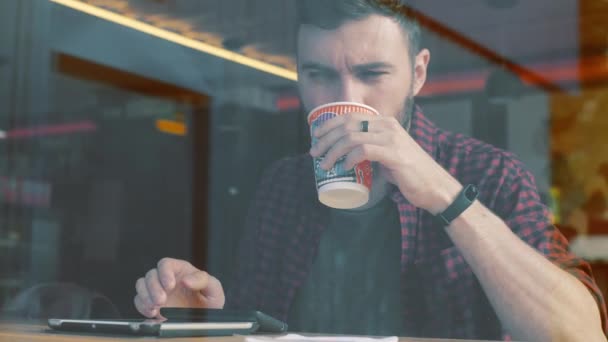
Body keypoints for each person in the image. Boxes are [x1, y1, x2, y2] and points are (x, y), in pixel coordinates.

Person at [133, 1, 608, 340]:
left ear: (417, 74)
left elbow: (580, 333)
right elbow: (260, 325)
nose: (349, 99)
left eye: (372, 74)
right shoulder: (283, 185)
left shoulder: (490, 175)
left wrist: (446, 195)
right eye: (319, 75)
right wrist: (207, 320)